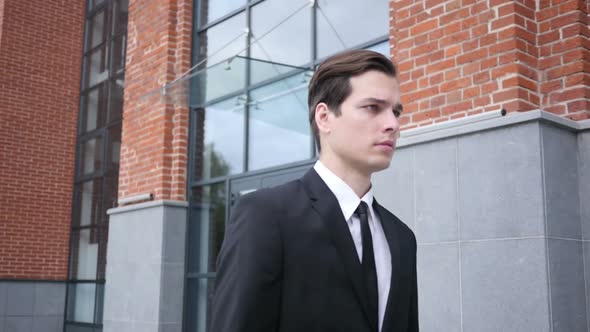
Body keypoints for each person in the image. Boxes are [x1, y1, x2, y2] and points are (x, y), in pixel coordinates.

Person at [210, 49, 418, 332]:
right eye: (372, 107)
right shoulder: (266, 216)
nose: (393, 124)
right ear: (324, 118)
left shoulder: (402, 238)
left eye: (396, 112)